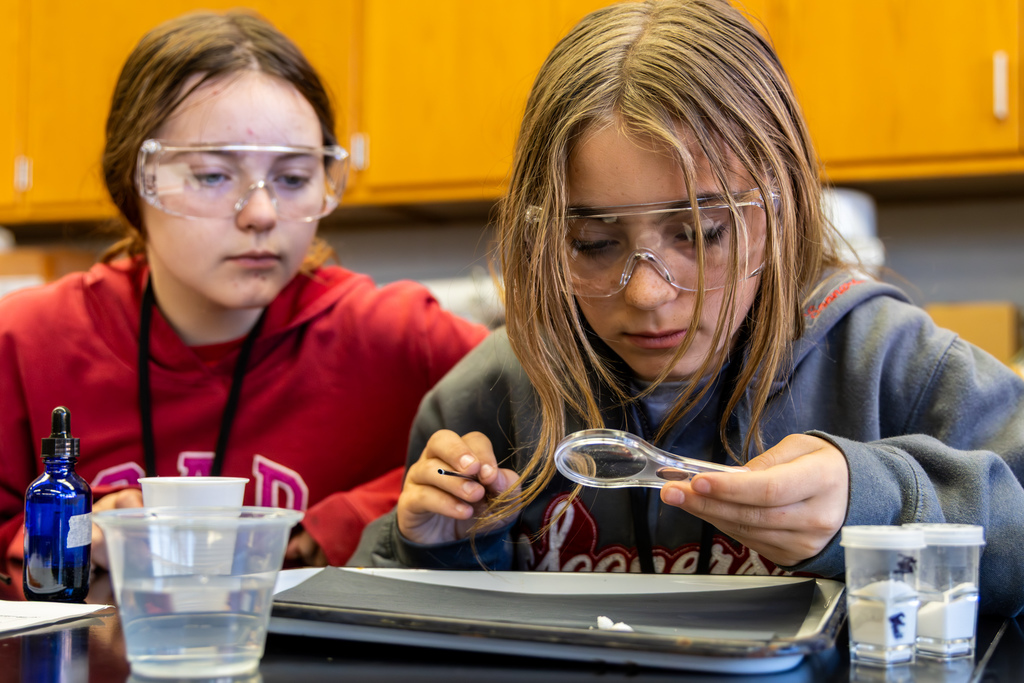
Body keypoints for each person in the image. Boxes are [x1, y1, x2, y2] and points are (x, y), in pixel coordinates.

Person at [369, 0, 1024, 617]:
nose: (648, 294)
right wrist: (435, 548)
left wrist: (881, 500)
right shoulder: (480, 402)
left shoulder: (893, 366)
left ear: (781, 206)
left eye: (701, 234)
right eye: (593, 243)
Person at [0, 10, 487, 573]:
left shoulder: (395, 332)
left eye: (293, 178)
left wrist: (350, 518)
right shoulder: (26, 341)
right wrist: (64, 532)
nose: (261, 213)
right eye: (212, 176)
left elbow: (551, 415)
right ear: (134, 182)